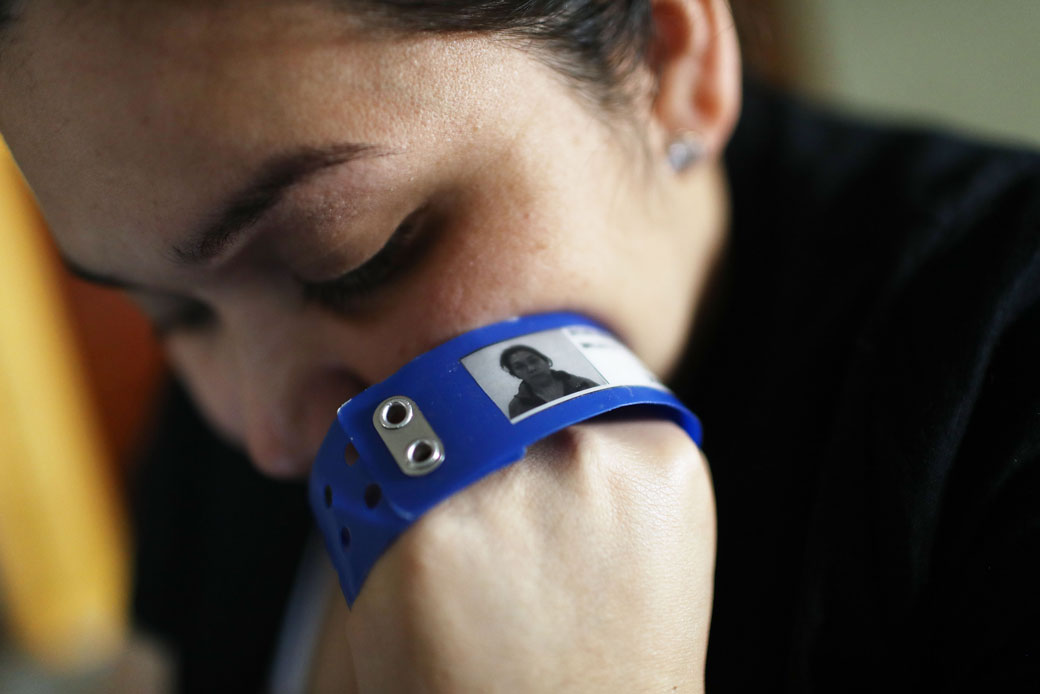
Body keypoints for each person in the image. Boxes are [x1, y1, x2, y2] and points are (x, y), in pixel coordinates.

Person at [0, 1, 1037, 691]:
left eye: (354, 258)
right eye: (172, 316)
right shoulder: (244, 385)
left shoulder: (1000, 384)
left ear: (668, 57)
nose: (270, 438)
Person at [499, 345, 600, 417]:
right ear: (515, 374)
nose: (531, 368)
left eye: (533, 360)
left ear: (546, 361)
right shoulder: (517, 406)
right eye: (520, 366)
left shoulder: (584, 384)